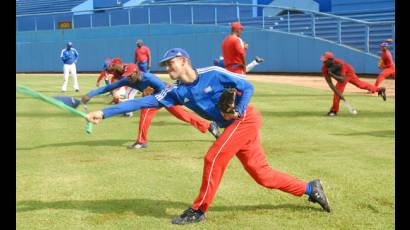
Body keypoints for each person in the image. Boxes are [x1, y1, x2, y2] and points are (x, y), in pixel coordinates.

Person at [85, 48, 331, 224]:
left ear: (183, 61)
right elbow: (144, 102)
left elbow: (247, 87)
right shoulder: (176, 92)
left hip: (245, 120)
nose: (167, 67)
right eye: (166, 65)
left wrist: (239, 109)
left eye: (171, 63)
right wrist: (104, 113)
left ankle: (198, 210)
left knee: (213, 158)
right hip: (234, 126)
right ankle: (310, 188)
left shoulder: (213, 72)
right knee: (262, 175)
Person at [82, 61, 220, 149]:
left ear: (136, 71)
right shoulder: (126, 81)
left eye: (132, 74)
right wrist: (90, 94)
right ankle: (208, 125)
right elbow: (106, 88)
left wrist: (152, 91)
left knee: (149, 112)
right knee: (182, 115)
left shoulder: (147, 76)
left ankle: (141, 141)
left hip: (165, 94)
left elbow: (162, 88)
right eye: (128, 76)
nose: (131, 77)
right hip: (156, 98)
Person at [320, 51, 387, 116]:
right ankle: (379, 89)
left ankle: (333, 111)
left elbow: (342, 80)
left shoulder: (340, 63)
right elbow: (329, 83)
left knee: (354, 86)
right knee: (359, 85)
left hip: (348, 71)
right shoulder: (324, 68)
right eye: (323, 60)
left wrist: (332, 75)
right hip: (342, 76)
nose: (324, 62)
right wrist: (338, 93)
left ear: (331, 60)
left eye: (325, 60)